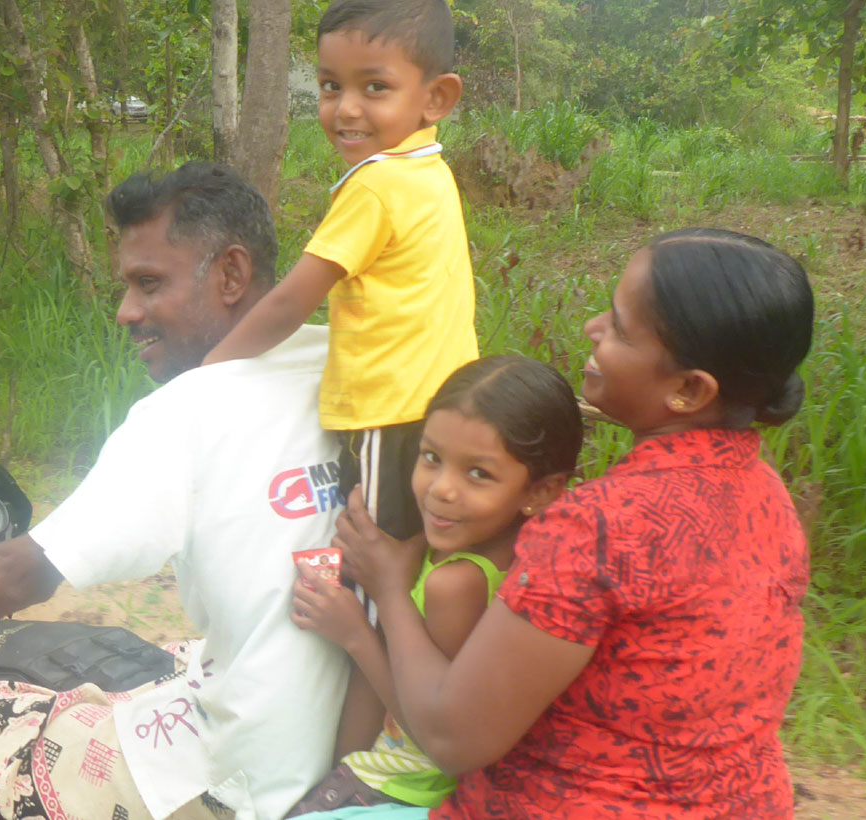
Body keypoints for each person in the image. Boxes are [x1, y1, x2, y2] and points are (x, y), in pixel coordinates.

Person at [0, 162, 352, 820]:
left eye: (150, 284)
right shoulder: (342, 366)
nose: (127, 311)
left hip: (245, 778)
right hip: (338, 742)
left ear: (232, 275)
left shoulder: (183, 414)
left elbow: (29, 574)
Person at [316, 228, 815, 820]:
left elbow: (454, 740)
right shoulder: (766, 495)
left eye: (622, 327)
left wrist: (390, 592)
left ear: (688, 389)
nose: (593, 328)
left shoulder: (603, 524)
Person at [202, 0, 476, 541]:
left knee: (370, 546)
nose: (346, 109)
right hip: (445, 398)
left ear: (436, 97)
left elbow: (288, 302)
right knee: (418, 545)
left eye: (374, 87)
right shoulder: (429, 168)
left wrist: (209, 370)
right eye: (331, 86)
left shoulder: (375, 185)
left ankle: (365, 627)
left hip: (386, 410)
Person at [284, 356, 584, 815]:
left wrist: (356, 633)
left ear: (541, 492)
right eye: (431, 458)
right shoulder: (485, 550)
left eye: (478, 473)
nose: (441, 488)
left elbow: (432, 732)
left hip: (401, 789)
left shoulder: (457, 583)